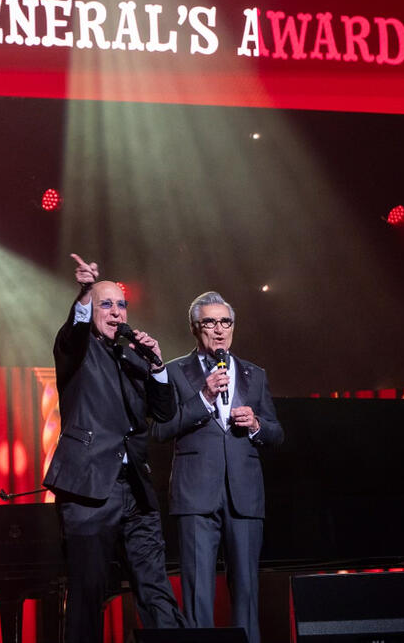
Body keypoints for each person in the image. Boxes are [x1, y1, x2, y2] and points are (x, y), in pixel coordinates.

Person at [43, 255, 184, 643]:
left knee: (155, 589)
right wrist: (86, 291)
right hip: (88, 488)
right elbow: (74, 329)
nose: (116, 311)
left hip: (135, 489)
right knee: (88, 592)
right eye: (107, 304)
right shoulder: (76, 350)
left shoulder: (133, 356)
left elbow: (165, 411)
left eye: (121, 304)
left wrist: (156, 365)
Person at [152, 291, 283, 643]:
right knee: (197, 595)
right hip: (196, 495)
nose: (220, 330)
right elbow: (160, 429)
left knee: (246, 591)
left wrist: (255, 424)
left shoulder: (255, 374)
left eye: (226, 322)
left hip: (244, 494)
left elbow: (276, 432)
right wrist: (204, 398)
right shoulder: (175, 372)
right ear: (196, 328)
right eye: (210, 322)